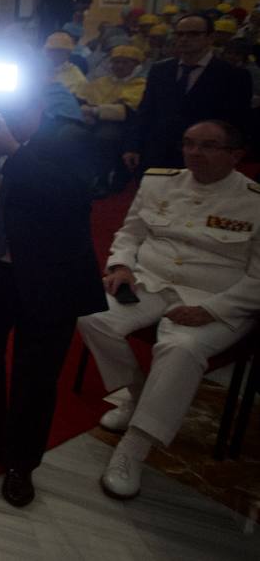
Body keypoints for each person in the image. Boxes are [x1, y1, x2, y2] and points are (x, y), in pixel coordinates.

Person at [0, 69, 106, 507]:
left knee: (36, 377)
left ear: (37, 110)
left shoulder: (71, 138)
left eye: (12, 109)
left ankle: (22, 462)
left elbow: (73, 197)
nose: (0, 116)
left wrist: (13, 151)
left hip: (49, 279)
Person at [79, 120, 260, 499]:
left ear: (235, 155)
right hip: (149, 281)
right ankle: (138, 392)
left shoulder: (254, 200)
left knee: (180, 349)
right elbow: (130, 233)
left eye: (209, 146)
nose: (195, 153)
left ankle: (134, 449)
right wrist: (120, 265)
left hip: (214, 297)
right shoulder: (160, 181)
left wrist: (212, 309)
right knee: (92, 315)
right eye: (189, 144)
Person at [124, 13, 251, 171]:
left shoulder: (233, 75)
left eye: (193, 34)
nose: (184, 39)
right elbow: (146, 110)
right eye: (180, 34)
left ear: (210, 38)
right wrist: (133, 145)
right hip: (158, 150)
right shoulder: (161, 70)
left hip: (205, 154)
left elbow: (236, 121)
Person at [78, 43, 147, 195]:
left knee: (106, 136)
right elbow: (83, 100)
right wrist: (86, 112)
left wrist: (94, 111)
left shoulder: (141, 84)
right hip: (93, 119)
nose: (119, 66)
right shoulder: (101, 82)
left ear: (136, 65)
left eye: (125, 62)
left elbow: (126, 111)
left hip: (123, 125)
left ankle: (103, 179)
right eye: (116, 61)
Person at [44, 31, 87, 97]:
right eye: (50, 50)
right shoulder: (39, 68)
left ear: (68, 53)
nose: (52, 54)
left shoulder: (77, 79)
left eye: (57, 51)